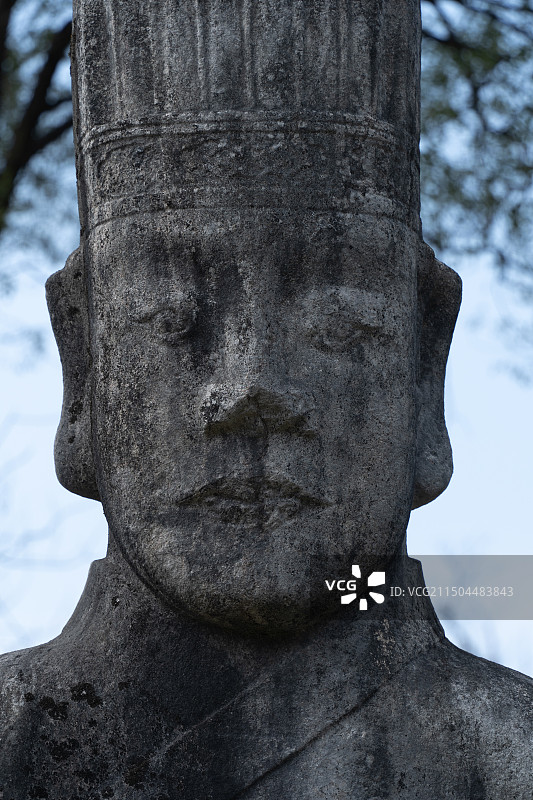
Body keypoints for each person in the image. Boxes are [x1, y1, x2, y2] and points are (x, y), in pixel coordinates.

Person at [1, 1, 531, 797]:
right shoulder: (21, 739)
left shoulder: (505, 751)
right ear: (84, 370)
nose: (252, 390)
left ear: (427, 374)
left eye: (340, 323)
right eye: (169, 318)